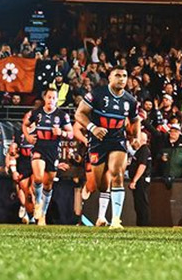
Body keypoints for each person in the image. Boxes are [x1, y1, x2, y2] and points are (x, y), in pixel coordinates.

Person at [75, 66, 140, 229]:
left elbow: (136, 120)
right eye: (118, 75)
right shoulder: (97, 94)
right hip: (98, 141)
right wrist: (93, 128)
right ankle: (98, 210)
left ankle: (116, 219)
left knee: (117, 174)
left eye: (124, 75)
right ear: (110, 78)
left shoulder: (130, 100)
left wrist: (136, 137)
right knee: (101, 184)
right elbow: (79, 113)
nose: (122, 79)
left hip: (117, 139)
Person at [22, 87, 72, 226]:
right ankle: (38, 203)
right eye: (49, 97)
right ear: (45, 98)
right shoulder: (36, 113)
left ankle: (42, 214)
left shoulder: (62, 115)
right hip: (39, 147)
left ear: (57, 100)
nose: (51, 100)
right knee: (38, 177)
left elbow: (71, 134)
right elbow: (25, 125)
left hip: (53, 150)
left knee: (48, 184)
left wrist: (61, 132)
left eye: (54, 98)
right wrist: (28, 137)